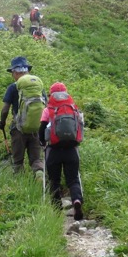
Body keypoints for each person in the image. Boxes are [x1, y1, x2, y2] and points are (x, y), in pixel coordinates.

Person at [39, 82, 84, 220]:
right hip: (71, 149)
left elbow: (41, 130)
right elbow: (80, 128)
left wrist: (43, 143)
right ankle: (76, 200)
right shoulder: (74, 109)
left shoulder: (48, 110)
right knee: (73, 179)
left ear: (51, 94)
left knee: (54, 180)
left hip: (53, 150)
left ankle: (57, 211)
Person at [0, 56, 45, 176]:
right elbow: (46, 106)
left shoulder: (13, 87)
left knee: (18, 161)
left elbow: (5, 110)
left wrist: (2, 122)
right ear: (27, 70)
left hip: (18, 129)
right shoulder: (38, 85)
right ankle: (40, 177)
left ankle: (21, 188)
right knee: (36, 160)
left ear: (15, 72)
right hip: (35, 128)